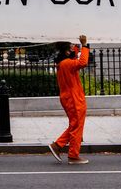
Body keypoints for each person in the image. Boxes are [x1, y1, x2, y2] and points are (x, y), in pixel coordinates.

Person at [47, 35, 91, 165]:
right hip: (74, 98)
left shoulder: (63, 63)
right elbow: (83, 62)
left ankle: (57, 145)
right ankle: (72, 155)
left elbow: (76, 56)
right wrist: (84, 45)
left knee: (74, 125)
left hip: (69, 97)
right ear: (67, 51)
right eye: (71, 47)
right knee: (77, 126)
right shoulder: (67, 64)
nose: (74, 49)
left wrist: (79, 47)